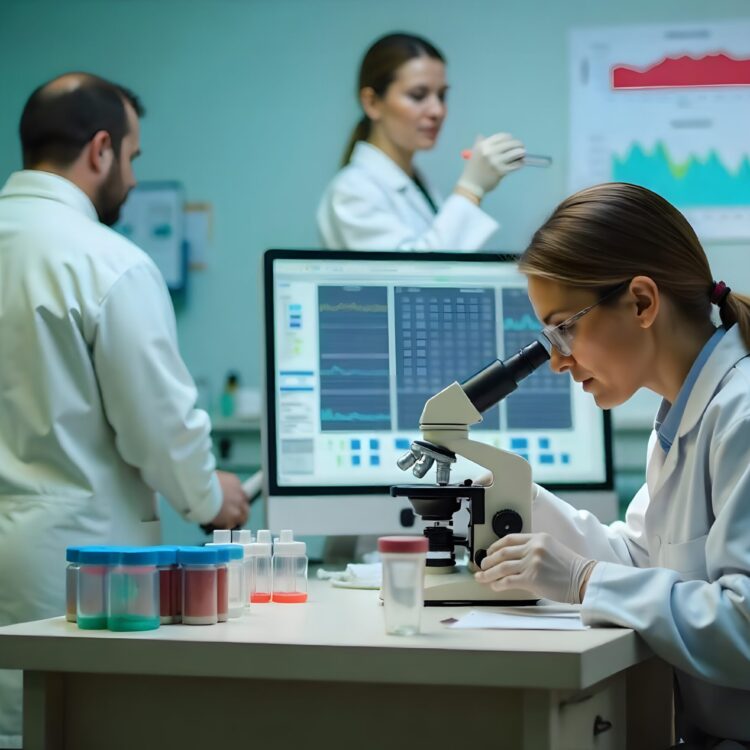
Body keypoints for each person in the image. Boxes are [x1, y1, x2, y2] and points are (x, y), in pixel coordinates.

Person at [0, 73, 248, 747]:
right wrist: (209, 496)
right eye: (134, 158)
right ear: (101, 150)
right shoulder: (107, 263)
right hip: (71, 570)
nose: (135, 180)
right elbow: (160, 426)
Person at [474, 183, 750, 748]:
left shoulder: (741, 413)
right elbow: (641, 558)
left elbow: (745, 628)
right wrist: (517, 494)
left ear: (643, 303)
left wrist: (583, 580)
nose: (556, 360)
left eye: (565, 328)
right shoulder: (682, 418)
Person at [317, 32, 527, 251]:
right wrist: (471, 189)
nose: (437, 110)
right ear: (371, 103)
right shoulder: (353, 191)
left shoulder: (415, 183)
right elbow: (415, 278)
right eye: (418, 95)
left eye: (442, 96)